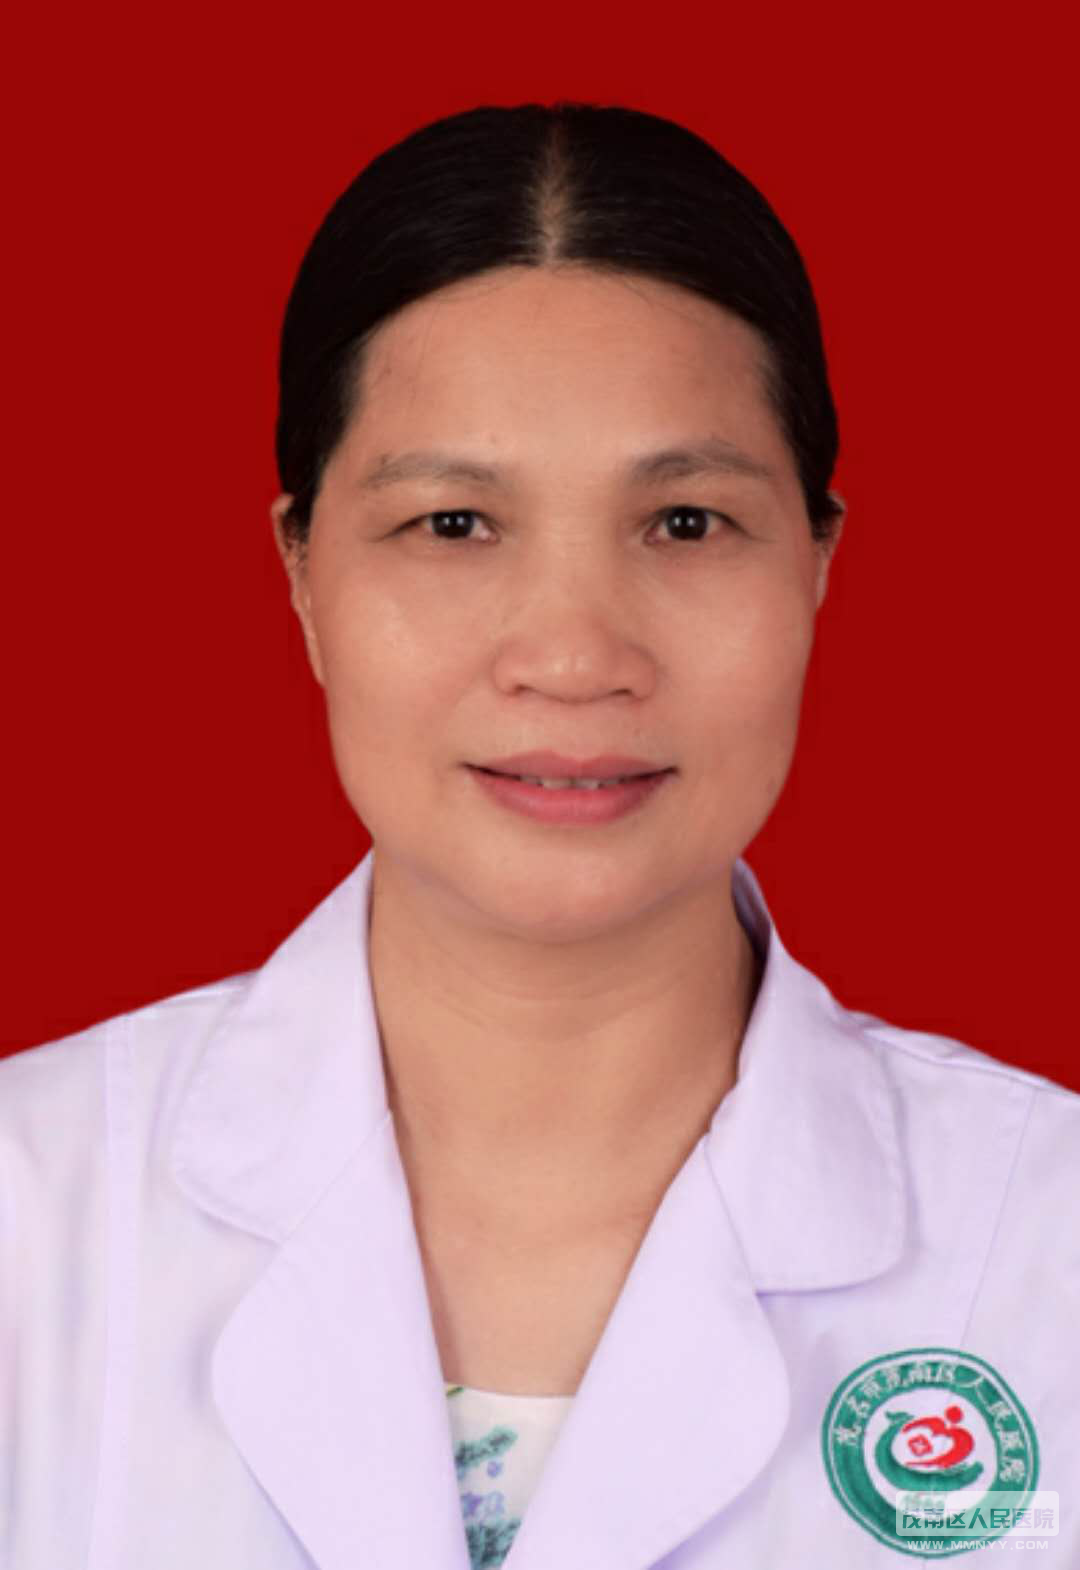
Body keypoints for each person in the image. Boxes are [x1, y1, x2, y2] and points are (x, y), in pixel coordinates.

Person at [2, 101, 1077, 1570]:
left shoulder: (1047, 1240)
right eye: (454, 524)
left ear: (819, 565)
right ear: (302, 574)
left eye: (685, 523)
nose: (573, 657)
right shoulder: (31, 1209)